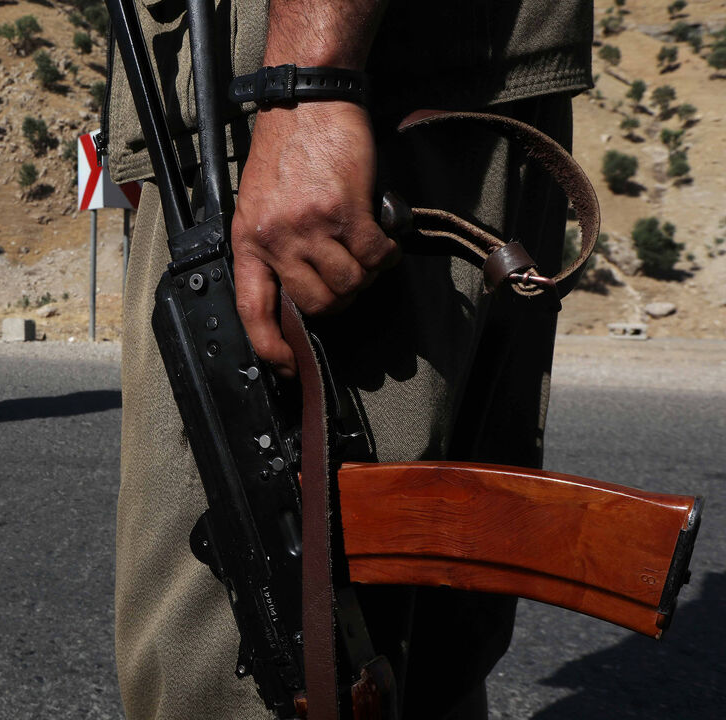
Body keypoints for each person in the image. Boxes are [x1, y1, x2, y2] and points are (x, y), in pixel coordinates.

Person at [105, 0, 592, 717]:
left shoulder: (306, 88)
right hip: (373, 79)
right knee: (417, 659)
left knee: (250, 667)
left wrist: (308, 82)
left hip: (313, 86)